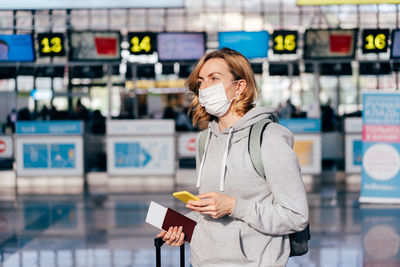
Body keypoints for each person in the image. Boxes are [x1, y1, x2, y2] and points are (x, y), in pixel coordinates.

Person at [157, 48, 309, 266]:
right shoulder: (205, 140)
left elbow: (296, 216)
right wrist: (184, 226)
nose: (205, 88)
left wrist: (234, 206)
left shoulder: (269, 138)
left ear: (239, 86)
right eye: (201, 81)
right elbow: (211, 213)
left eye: (214, 79)